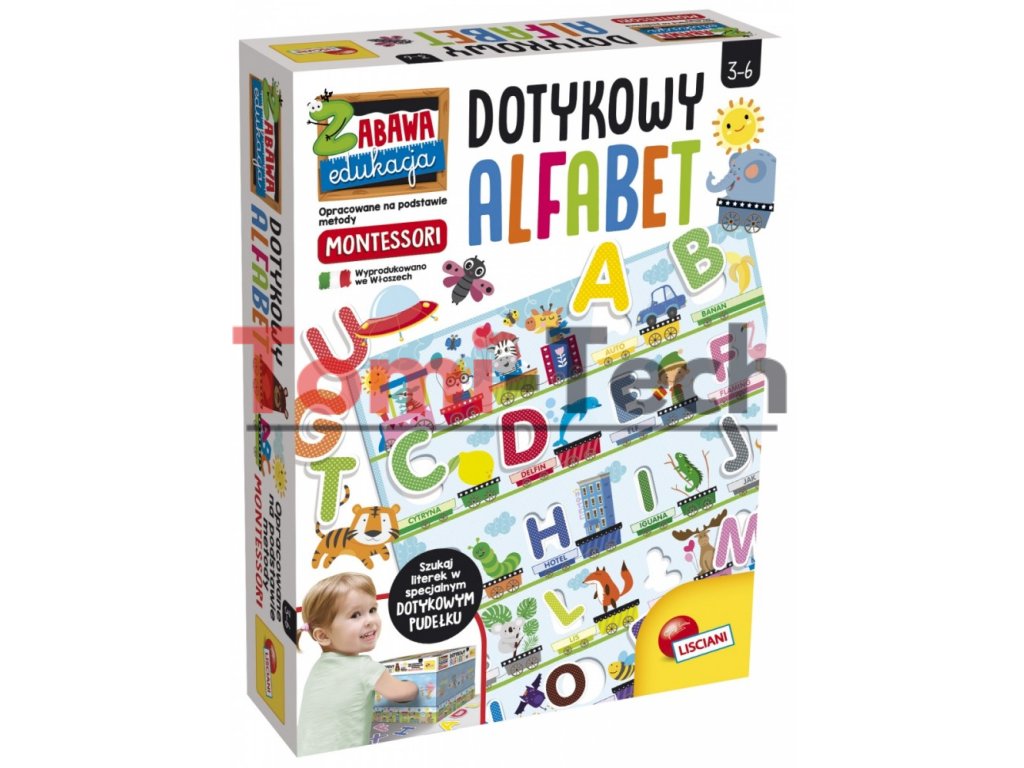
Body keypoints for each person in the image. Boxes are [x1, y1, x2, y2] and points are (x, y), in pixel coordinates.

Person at [297, 573, 419, 755]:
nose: (370, 620)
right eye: (355, 615)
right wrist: (413, 684)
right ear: (323, 635)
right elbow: (402, 693)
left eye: (372, 610)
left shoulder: (319, 667)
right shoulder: (364, 667)